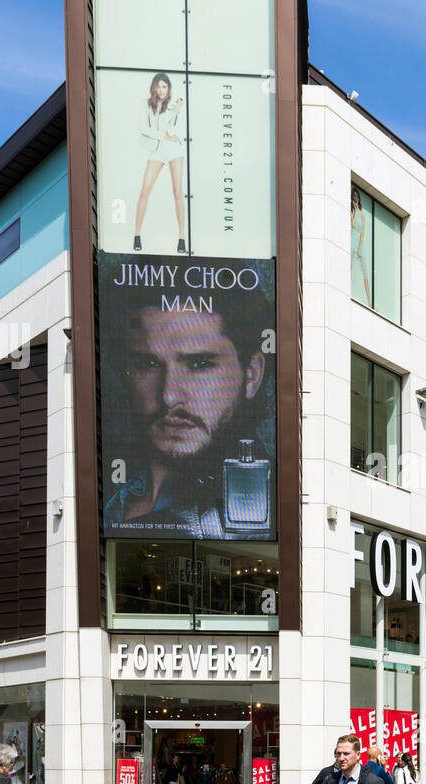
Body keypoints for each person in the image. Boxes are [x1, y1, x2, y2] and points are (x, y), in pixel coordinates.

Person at [101, 260, 276, 540]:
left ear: (251, 375)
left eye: (199, 364)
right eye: (148, 364)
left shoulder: (269, 503)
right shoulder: (105, 493)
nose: (169, 396)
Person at [132, 72, 187, 254]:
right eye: (159, 86)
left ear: (168, 88)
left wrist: (176, 112)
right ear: (154, 87)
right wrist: (162, 136)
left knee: (178, 192)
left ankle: (182, 238)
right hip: (156, 150)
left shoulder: (173, 106)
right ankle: (137, 235)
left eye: (165, 86)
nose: (162, 90)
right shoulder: (145, 104)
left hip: (174, 151)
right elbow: (142, 127)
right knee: (144, 191)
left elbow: (175, 131)